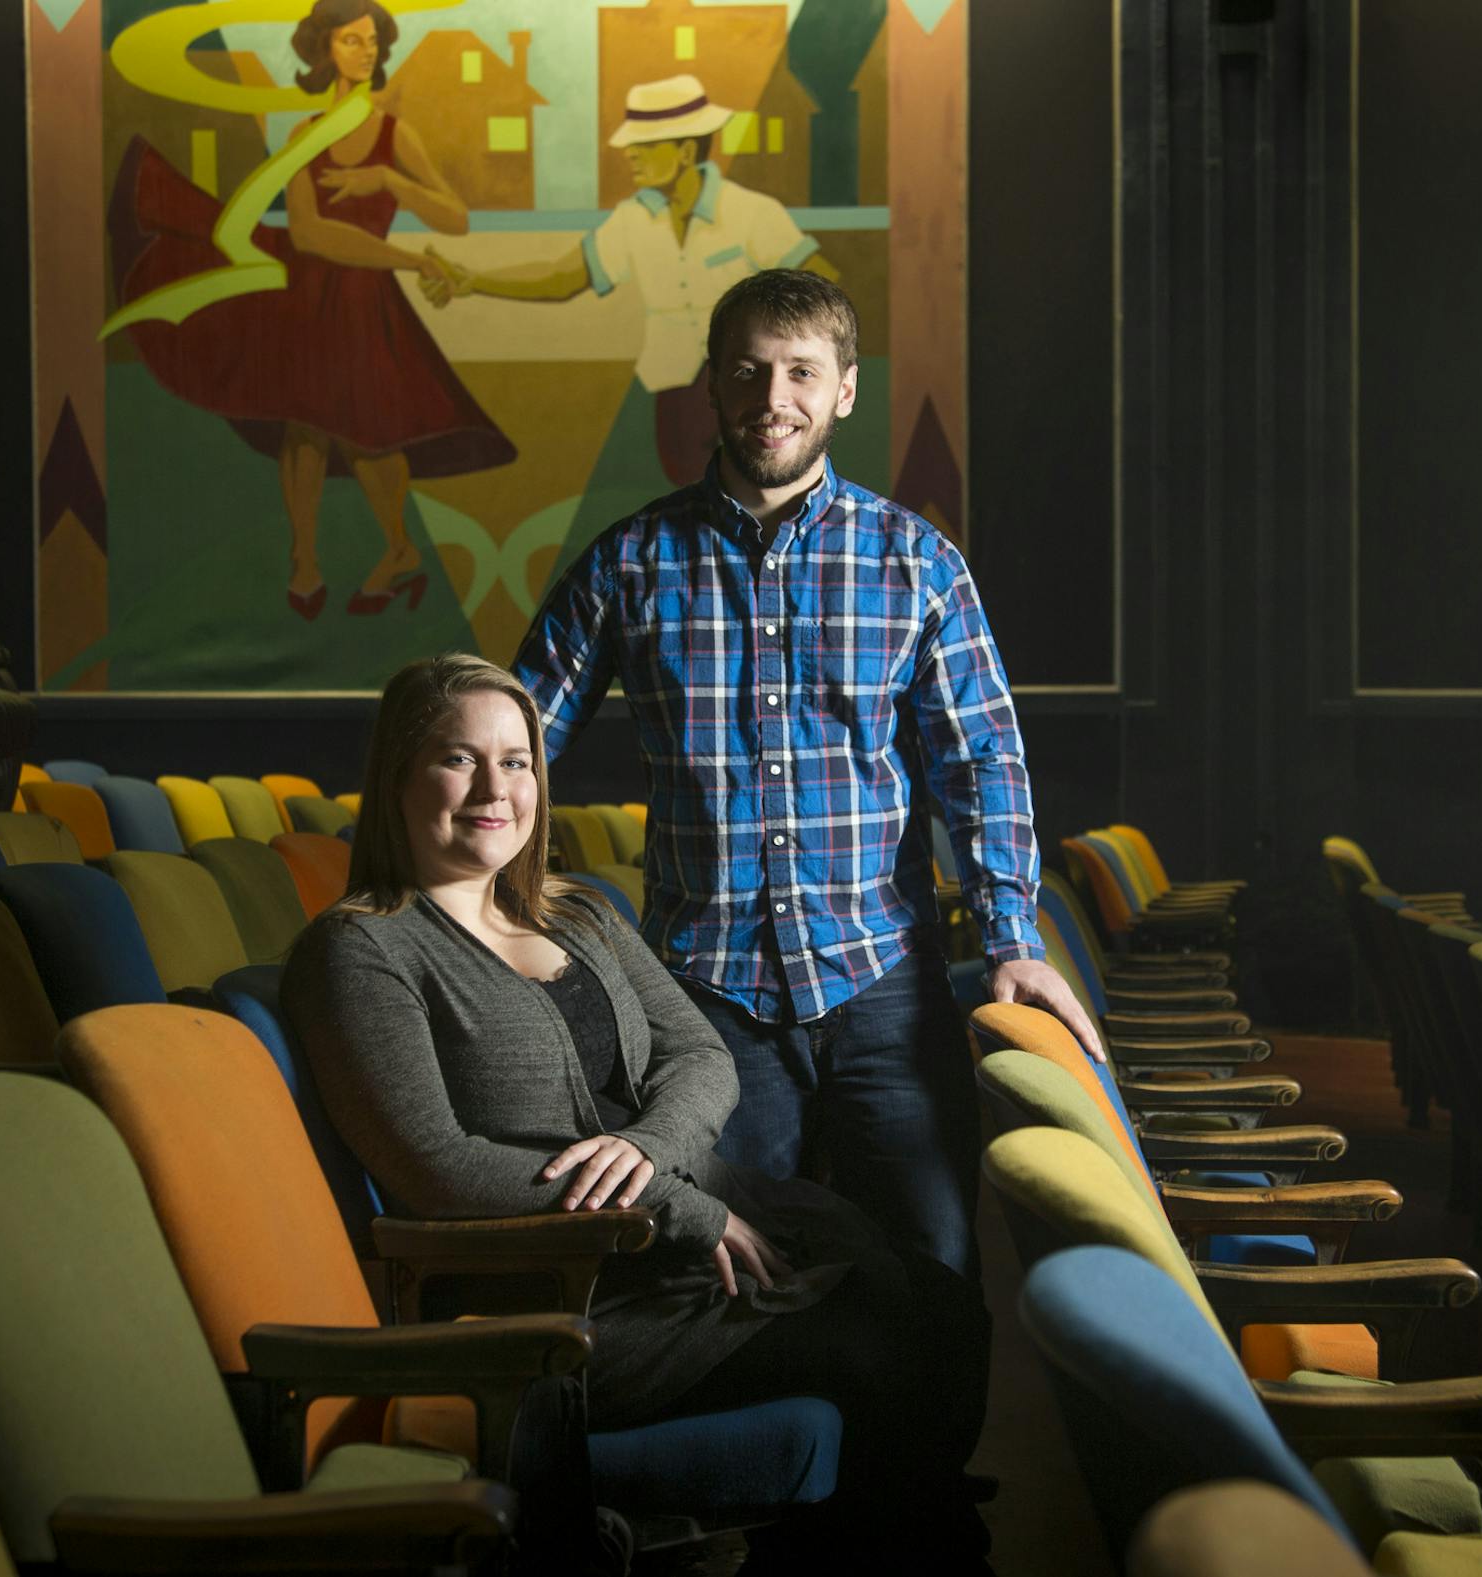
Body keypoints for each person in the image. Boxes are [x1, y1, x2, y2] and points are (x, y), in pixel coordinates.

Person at [281, 653, 988, 1568]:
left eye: (517, 759)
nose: (495, 787)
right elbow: (433, 1167)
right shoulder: (361, 949)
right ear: (398, 777)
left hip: (678, 1258)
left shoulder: (578, 913)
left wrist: (649, 1145)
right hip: (560, 1298)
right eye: (459, 759)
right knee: (876, 1354)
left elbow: (700, 1055)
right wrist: (675, 1206)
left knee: (938, 1307)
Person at [512, 269, 1103, 1288]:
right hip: (705, 1001)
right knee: (733, 1279)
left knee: (931, 1266)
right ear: (711, 385)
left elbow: (983, 760)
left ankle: (923, 1460)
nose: (771, 395)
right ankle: (796, 1453)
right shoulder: (628, 564)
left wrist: (1011, 936)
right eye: (747, 369)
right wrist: (478, 909)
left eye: (799, 370)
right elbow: (514, 740)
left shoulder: (918, 562)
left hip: (886, 986)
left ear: (845, 389)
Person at [109, 0, 514, 621]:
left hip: (367, 303)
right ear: (324, 50)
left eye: (373, 40)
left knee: (374, 431)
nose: (367, 50)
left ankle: (400, 548)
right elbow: (310, 235)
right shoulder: (304, 138)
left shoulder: (392, 134)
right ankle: (304, 558)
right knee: (305, 428)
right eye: (352, 40)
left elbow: (454, 218)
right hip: (312, 299)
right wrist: (411, 262)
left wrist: (390, 185)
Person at [421, 72, 837, 494]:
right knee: (691, 494)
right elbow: (562, 277)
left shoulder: (752, 212)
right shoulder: (631, 220)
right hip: (672, 387)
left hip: (754, 388)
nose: (631, 157)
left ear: (685, 151)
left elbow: (824, 283)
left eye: (645, 147)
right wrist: (471, 280)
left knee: (770, 487)